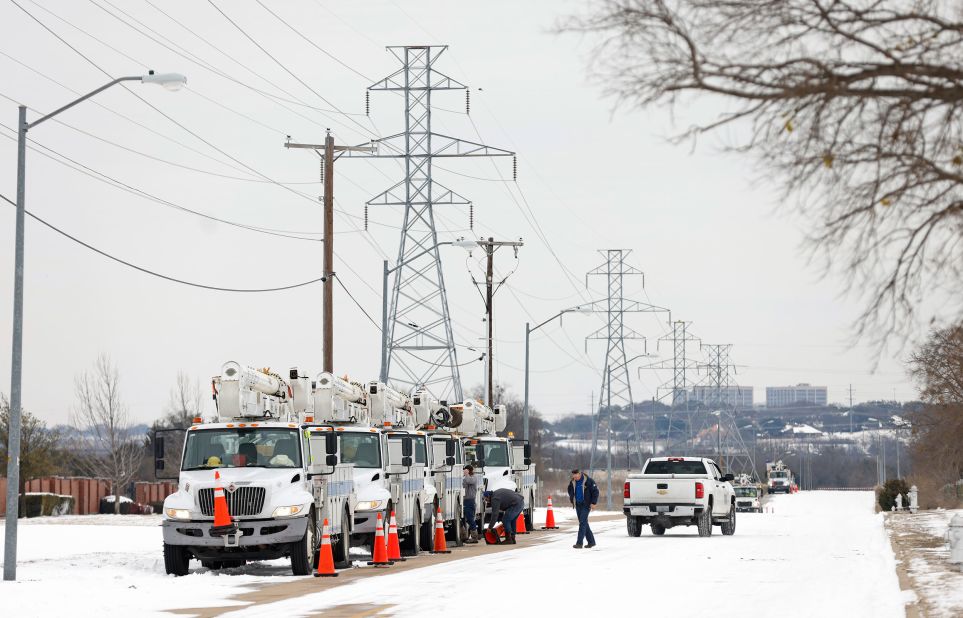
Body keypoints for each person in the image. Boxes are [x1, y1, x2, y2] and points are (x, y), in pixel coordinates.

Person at [567, 469, 599, 549]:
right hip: (578, 504)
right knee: (584, 523)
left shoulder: (589, 481)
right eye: (573, 475)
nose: (575, 477)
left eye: (576, 475)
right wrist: (572, 498)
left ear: (580, 473)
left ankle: (579, 543)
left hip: (586, 504)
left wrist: (594, 502)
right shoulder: (572, 482)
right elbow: (570, 490)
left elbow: (595, 492)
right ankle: (591, 542)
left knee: (582, 522)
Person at [462, 465, 480, 543]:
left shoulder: (473, 477)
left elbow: (469, 481)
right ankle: (464, 535)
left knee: (470, 519)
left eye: (466, 470)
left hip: (470, 501)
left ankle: (474, 537)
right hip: (464, 500)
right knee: (463, 519)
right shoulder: (466, 477)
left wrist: (466, 474)